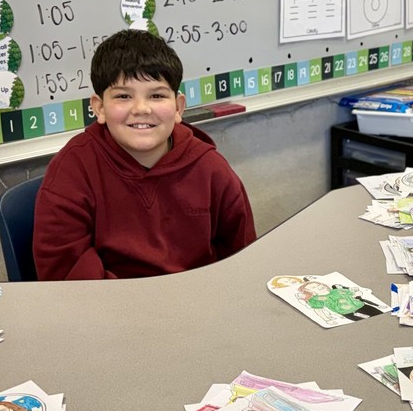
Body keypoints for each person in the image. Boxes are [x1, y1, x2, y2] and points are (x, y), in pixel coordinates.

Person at [33, 29, 256, 280]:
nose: (141, 108)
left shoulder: (212, 170)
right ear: (100, 108)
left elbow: (243, 259)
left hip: (198, 306)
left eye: (157, 95)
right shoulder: (72, 171)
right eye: (123, 96)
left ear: (178, 107)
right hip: (109, 312)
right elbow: (66, 276)